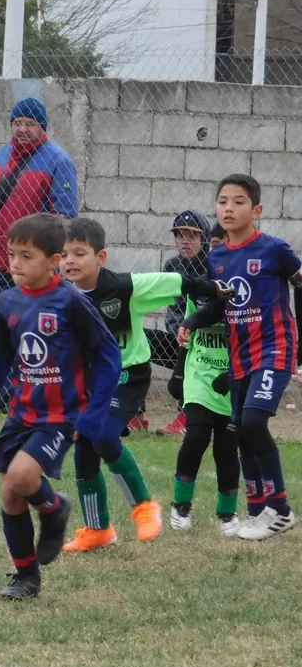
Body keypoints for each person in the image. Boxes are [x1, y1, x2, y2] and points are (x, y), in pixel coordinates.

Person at [0, 213, 120, 601]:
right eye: (12, 254)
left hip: (61, 416)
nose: (15, 263)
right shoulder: (8, 301)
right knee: (11, 495)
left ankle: (54, 509)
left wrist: (95, 413)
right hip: (22, 414)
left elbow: (109, 356)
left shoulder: (72, 302)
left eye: (26, 256)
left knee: (21, 476)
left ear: (54, 260)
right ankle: (26, 578)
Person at [58, 217, 230, 552]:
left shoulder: (124, 288)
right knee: (84, 452)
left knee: (104, 435)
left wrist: (212, 289)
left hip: (127, 377)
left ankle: (144, 506)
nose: (70, 261)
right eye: (64, 255)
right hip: (89, 383)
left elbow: (175, 281)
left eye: (79, 253)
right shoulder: (61, 298)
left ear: (101, 257)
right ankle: (97, 530)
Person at [180, 173, 301, 540]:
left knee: (252, 422)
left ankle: (280, 511)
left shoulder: (274, 249)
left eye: (238, 201)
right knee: (240, 430)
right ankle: (256, 511)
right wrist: (193, 321)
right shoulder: (216, 257)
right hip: (240, 355)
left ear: (257, 210)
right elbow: (221, 306)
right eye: (222, 201)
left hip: (274, 347)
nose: (229, 208)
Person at [0, 97, 79, 414]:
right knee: (1, 326)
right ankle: (1, 393)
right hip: (0, 262)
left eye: (29, 124)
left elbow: (64, 215)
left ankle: (36, 393)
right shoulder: (0, 156)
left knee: (34, 329)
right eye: (17, 123)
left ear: (42, 127)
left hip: (37, 268)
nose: (21, 129)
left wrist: (45, 257)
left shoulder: (58, 161)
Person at [166, 226, 241, 534]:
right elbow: (189, 330)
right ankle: (181, 508)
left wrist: (236, 373)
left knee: (226, 447)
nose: (218, 252)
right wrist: (179, 373)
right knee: (196, 437)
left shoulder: (248, 290)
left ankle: (226, 515)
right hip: (199, 374)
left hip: (233, 378)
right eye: (214, 246)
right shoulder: (201, 285)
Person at [147, 209, 213, 437]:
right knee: (136, 338)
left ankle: (187, 417)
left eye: (192, 235)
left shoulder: (213, 267)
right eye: (180, 235)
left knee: (192, 348)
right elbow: (172, 311)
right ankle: (132, 414)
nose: (185, 240)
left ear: (204, 238)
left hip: (207, 345)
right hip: (178, 339)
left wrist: (188, 333)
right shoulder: (172, 267)